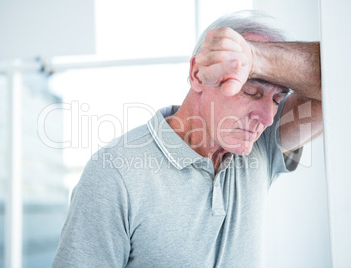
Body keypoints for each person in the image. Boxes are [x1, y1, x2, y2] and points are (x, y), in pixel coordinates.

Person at [53, 10, 322, 267]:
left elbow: (344, 73)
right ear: (197, 75)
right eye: (251, 91)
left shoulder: (261, 146)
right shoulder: (113, 174)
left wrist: (256, 58)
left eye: (278, 99)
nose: (266, 118)